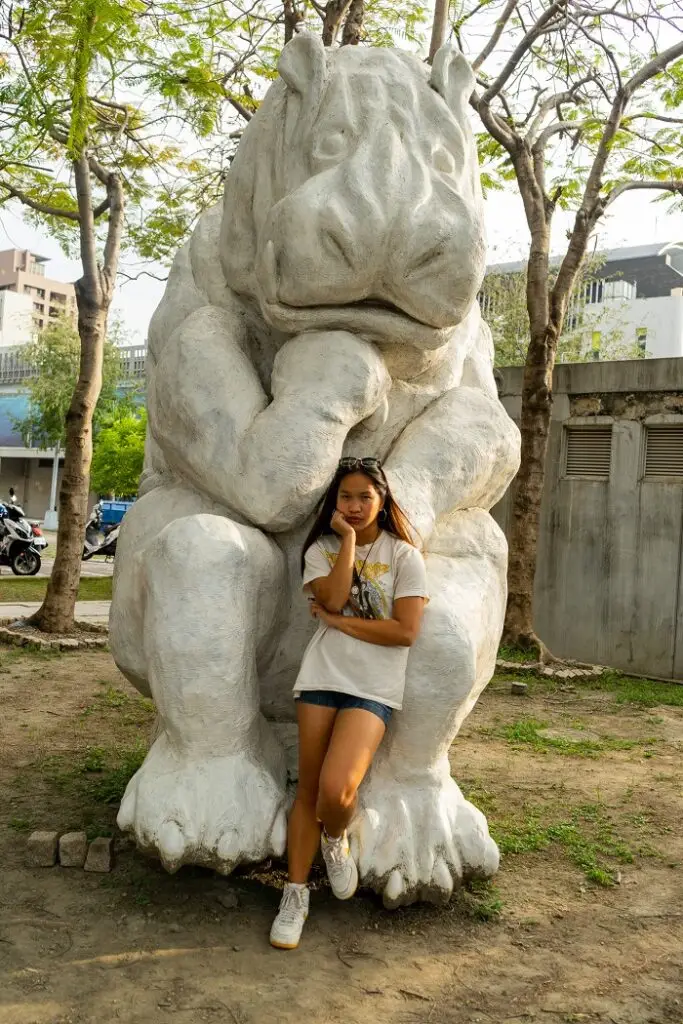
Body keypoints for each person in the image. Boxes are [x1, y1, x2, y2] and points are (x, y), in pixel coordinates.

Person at [270, 456, 429, 950]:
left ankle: (334, 839)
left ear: (383, 500)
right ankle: (295, 895)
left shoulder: (406, 557)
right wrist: (350, 543)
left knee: (337, 793)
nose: (355, 506)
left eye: (365, 497)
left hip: (373, 687)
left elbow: (403, 631)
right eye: (346, 497)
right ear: (334, 504)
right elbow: (334, 599)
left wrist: (338, 625)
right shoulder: (322, 548)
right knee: (309, 790)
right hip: (322, 677)